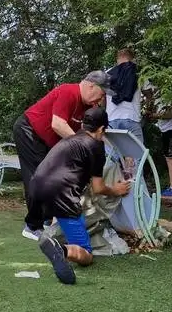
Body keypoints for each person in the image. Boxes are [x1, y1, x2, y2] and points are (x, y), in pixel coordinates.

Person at [32, 107, 131, 284]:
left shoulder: (71, 138)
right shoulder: (96, 146)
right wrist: (116, 190)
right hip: (62, 195)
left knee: (69, 220)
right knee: (86, 254)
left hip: (36, 187)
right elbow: (98, 188)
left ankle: (53, 238)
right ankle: (61, 250)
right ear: (101, 129)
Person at [12, 71, 112, 241]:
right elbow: (58, 124)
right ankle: (32, 226)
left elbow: (88, 132)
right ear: (91, 86)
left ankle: (46, 220)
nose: (101, 100)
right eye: (102, 94)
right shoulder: (69, 91)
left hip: (47, 140)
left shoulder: (88, 106)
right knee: (38, 177)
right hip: (29, 131)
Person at [142, 81, 172, 198]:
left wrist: (155, 115)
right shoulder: (156, 97)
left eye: (147, 93)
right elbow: (151, 111)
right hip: (166, 130)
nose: (147, 96)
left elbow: (169, 114)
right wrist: (149, 105)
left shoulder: (169, 93)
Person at [106, 48, 143, 144]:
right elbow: (149, 93)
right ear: (132, 58)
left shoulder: (107, 74)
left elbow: (101, 96)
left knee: (112, 156)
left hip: (112, 119)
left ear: (117, 59)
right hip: (132, 117)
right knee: (137, 154)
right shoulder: (139, 72)